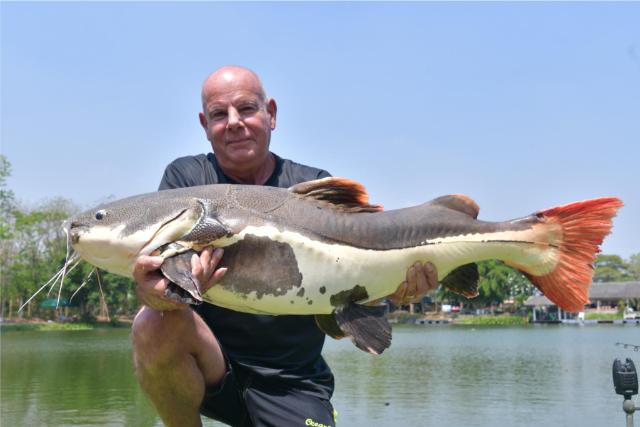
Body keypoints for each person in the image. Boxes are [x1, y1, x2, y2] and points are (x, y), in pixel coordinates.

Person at [131, 65, 439, 427]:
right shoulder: (186, 182)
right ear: (205, 124)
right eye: (219, 114)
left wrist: (393, 288)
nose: (234, 122)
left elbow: (343, 313)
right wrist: (153, 292)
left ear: (271, 114)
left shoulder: (314, 187)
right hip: (211, 364)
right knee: (151, 322)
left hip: (293, 382)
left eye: (246, 108)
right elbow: (161, 278)